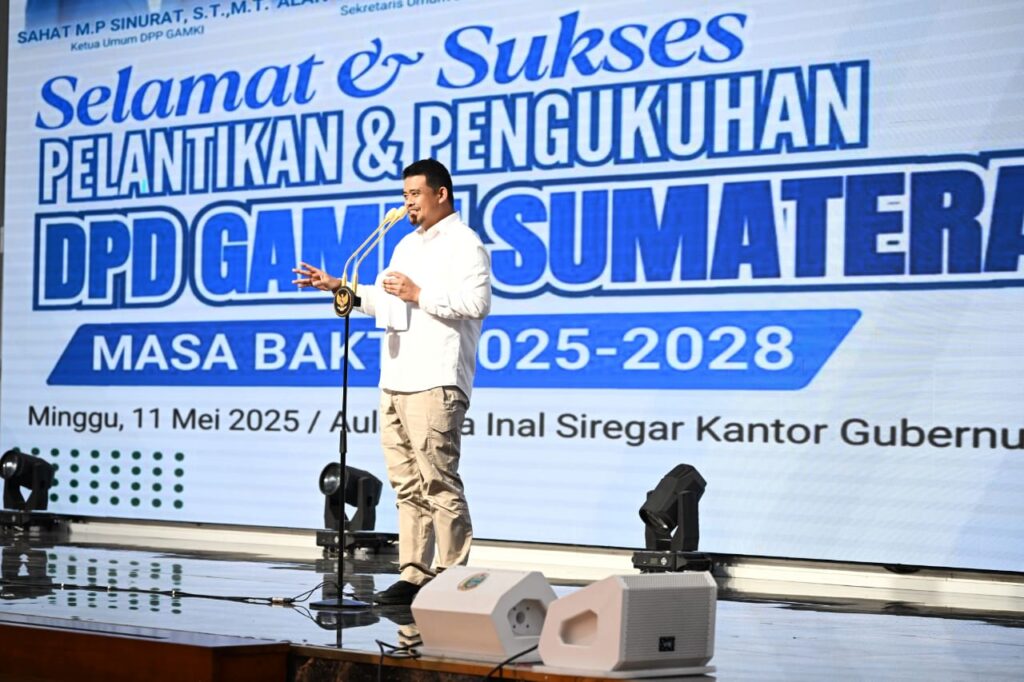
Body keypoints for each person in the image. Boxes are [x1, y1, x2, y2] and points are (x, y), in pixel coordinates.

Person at [293, 159, 491, 605]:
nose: (408, 204)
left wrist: (419, 293)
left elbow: (477, 303)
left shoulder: (465, 243)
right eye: (404, 196)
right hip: (396, 377)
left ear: (441, 194)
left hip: (436, 378)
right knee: (406, 484)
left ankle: (451, 576)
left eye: (415, 195)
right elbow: (388, 304)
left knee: (439, 481)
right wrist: (340, 287)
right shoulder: (405, 244)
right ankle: (414, 573)